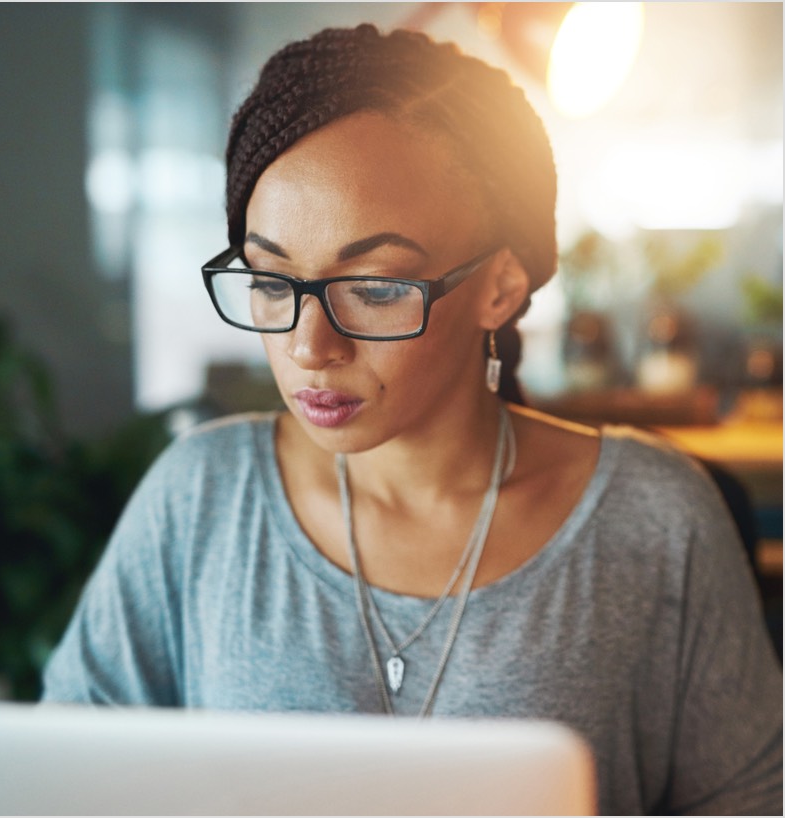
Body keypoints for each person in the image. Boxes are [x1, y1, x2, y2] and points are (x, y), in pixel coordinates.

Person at [42, 24, 782, 815]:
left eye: (377, 287)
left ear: (500, 286)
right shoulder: (201, 500)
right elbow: (62, 787)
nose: (307, 346)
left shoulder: (655, 519)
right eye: (270, 279)